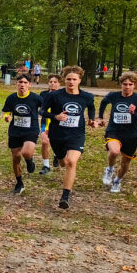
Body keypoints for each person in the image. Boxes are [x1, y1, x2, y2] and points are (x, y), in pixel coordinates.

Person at [40, 65, 96, 209]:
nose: (71, 82)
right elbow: (42, 111)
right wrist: (55, 116)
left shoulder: (87, 96)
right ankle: (59, 158)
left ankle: (65, 196)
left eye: (74, 79)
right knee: (63, 161)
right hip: (57, 134)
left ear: (79, 80)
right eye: (68, 79)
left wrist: (91, 119)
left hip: (76, 134)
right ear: (64, 80)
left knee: (71, 161)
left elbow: (91, 107)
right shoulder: (54, 95)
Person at [97, 72, 137, 193]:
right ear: (121, 84)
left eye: (130, 84)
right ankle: (109, 169)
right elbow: (103, 102)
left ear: (134, 85)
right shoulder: (114, 96)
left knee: (125, 163)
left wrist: (133, 113)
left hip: (131, 135)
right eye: (125, 84)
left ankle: (117, 181)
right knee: (114, 151)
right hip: (114, 130)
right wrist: (100, 117)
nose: (127, 87)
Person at [2, 73, 43, 194]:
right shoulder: (11, 98)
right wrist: (7, 116)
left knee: (26, 152)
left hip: (31, 129)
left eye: (25, 83)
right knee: (16, 157)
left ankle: (30, 161)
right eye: (20, 82)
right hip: (15, 130)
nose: (22, 85)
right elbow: (7, 112)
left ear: (29, 85)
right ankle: (19, 182)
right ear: (16, 84)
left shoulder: (36, 98)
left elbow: (46, 108)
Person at [38, 74, 62, 175]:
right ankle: (46, 166)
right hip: (45, 122)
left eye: (55, 82)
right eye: (50, 82)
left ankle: (57, 154)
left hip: (58, 123)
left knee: (57, 142)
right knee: (45, 142)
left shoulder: (63, 94)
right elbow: (40, 109)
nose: (52, 83)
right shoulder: (43, 94)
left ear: (59, 84)